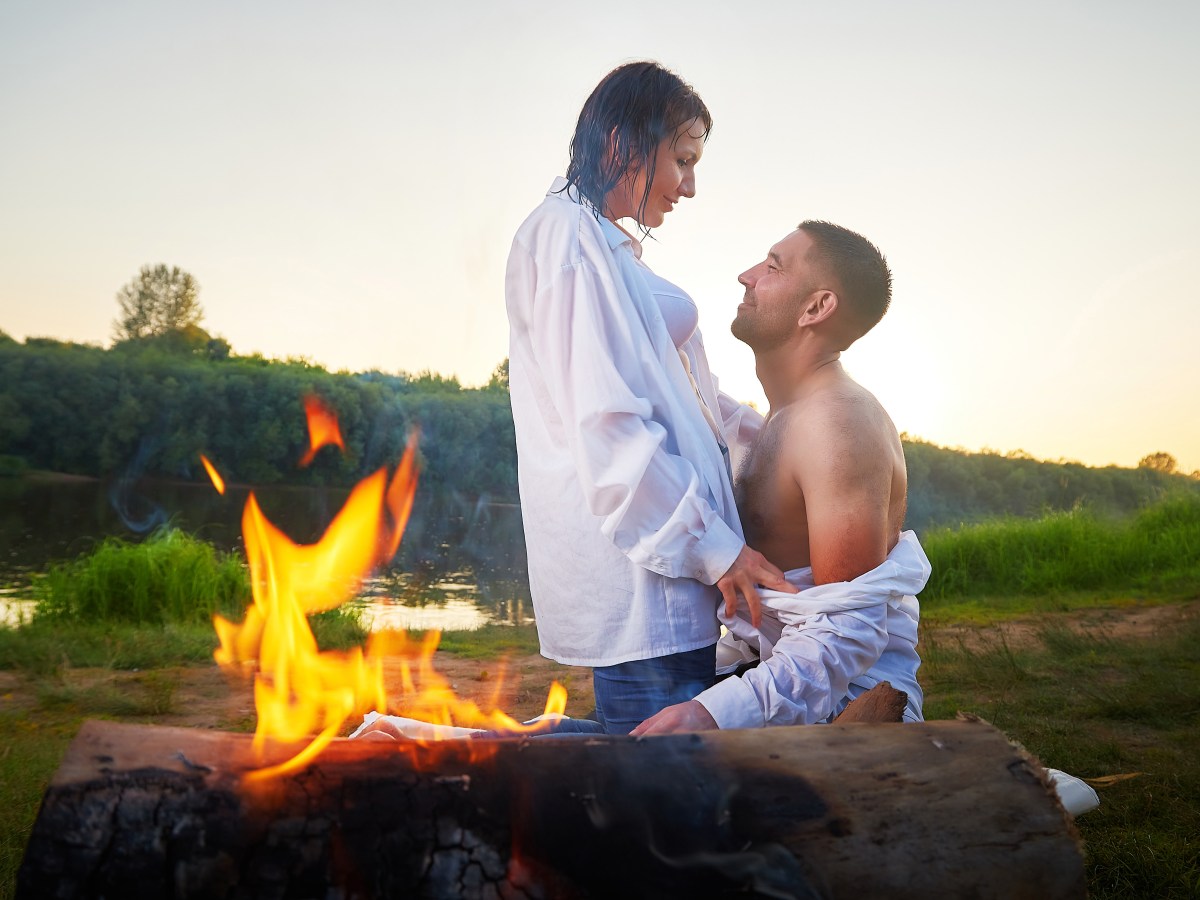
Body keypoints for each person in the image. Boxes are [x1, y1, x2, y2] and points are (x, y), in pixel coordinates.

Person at [504, 61, 794, 735]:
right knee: (670, 814)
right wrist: (717, 551)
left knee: (658, 782)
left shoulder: (606, 249)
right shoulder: (567, 239)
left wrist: (787, 436)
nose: (690, 186)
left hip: (669, 583)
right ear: (622, 145)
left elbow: (687, 398)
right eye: (683, 161)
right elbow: (610, 429)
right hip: (648, 585)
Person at [633, 221, 931, 736]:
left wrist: (711, 712)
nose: (746, 276)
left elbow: (844, 635)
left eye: (772, 267)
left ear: (816, 308)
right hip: (775, 675)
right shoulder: (779, 417)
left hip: (842, 710)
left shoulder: (838, 423)